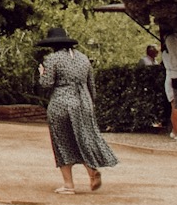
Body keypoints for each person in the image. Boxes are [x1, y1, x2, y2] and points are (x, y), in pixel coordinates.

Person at [35, 26, 118, 193]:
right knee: (83, 138)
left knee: (62, 142)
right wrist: (90, 103)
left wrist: (42, 73)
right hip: (84, 102)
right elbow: (91, 85)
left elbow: (47, 84)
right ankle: (91, 171)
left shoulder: (52, 59)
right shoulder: (83, 58)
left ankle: (68, 185)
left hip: (61, 103)